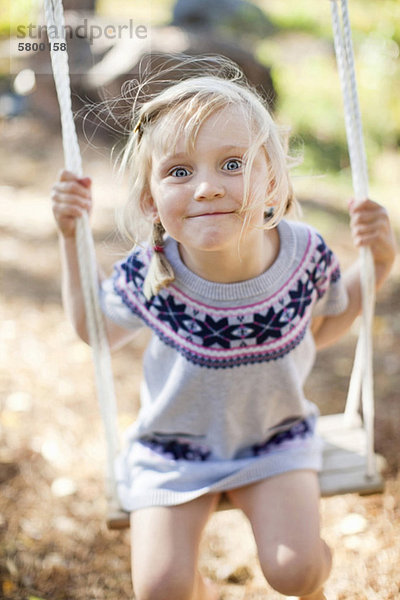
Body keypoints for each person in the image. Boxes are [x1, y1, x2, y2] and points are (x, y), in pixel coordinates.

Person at [51, 60, 396, 600]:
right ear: (151, 201)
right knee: (161, 589)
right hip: (173, 450)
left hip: (273, 441)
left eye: (231, 164)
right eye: (180, 172)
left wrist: (376, 262)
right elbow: (96, 332)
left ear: (272, 184)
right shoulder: (154, 271)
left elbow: (323, 324)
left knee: (296, 571)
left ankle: (315, 579)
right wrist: (73, 240)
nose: (207, 188)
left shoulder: (304, 255)